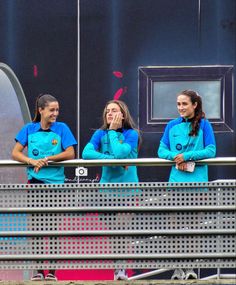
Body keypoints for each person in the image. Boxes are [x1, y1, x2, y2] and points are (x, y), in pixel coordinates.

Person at [12, 94, 77, 281]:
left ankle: (52, 272)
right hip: (35, 184)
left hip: (56, 185)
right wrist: (31, 160)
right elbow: (16, 153)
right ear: (41, 110)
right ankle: (38, 270)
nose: (55, 113)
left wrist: (47, 159)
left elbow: (70, 153)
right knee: (36, 229)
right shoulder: (29, 129)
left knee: (54, 229)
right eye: (51, 110)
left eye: (57, 110)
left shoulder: (62, 128)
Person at [157, 89, 216, 280]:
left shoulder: (205, 125)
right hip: (175, 184)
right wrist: (175, 157)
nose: (181, 108)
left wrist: (188, 156)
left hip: (198, 185)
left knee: (194, 229)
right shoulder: (171, 125)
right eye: (178, 104)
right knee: (174, 229)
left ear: (194, 105)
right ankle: (177, 269)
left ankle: (190, 268)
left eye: (184, 104)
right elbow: (161, 150)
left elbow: (211, 150)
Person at [82, 99, 141, 280]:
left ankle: (121, 269)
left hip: (128, 192)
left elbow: (122, 153)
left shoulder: (132, 133)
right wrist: (109, 159)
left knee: (122, 231)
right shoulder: (100, 133)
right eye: (107, 110)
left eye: (114, 110)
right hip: (106, 193)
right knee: (113, 233)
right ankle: (117, 269)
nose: (109, 113)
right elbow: (86, 153)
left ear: (122, 115)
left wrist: (114, 132)